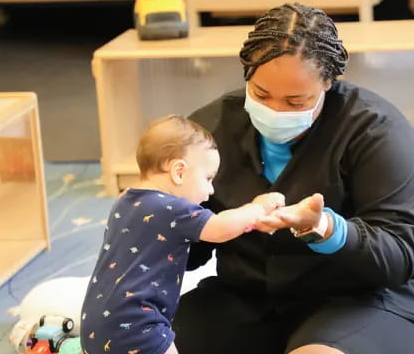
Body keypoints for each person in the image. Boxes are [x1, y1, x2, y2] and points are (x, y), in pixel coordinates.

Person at [172, 2, 414, 354]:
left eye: (296, 101)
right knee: (136, 339)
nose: (275, 111)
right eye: (260, 94)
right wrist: (163, 215)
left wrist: (328, 230)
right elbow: (186, 252)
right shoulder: (208, 130)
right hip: (251, 297)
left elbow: (401, 254)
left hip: (366, 299)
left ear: (329, 83)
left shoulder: (377, 130)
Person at [79, 115, 286, 354]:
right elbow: (220, 229)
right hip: (139, 324)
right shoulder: (171, 208)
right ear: (178, 172)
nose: (210, 191)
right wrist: (258, 208)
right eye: (208, 179)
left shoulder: (125, 200)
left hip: (96, 322)